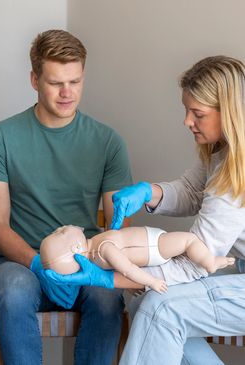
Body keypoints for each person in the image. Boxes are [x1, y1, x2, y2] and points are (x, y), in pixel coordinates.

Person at [49, 55, 245, 365]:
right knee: (144, 302)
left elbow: (192, 266)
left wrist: (110, 278)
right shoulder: (223, 152)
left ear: (231, 114)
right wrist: (149, 193)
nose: (187, 121)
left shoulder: (239, 173)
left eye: (198, 113)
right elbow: (193, 190)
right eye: (186, 110)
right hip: (238, 274)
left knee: (162, 307)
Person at [0, 29, 133, 365]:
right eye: (56, 82)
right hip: (21, 263)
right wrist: (36, 263)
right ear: (34, 79)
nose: (66, 93)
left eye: (75, 82)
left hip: (87, 261)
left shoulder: (107, 142)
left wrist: (96, 259)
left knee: (107, 298)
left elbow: (118, 225)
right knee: (13, 292)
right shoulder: (0, 138)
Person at [41, 224, 234, 293]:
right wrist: (152, 282)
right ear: (76, 247)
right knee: (189, 241)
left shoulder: (96, 250)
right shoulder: (103, 249)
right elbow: (129, 269)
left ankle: (209, 261)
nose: (63, 226)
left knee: (186, 247)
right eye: (61, 231)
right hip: (155, 245)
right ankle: (211, 262)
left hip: (154, 245)